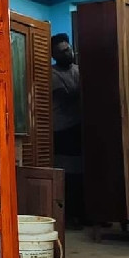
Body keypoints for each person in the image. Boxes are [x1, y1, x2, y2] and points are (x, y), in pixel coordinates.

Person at [51, 33, 84, 226]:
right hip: (63, 130)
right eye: (62, 52)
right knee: (68, 174)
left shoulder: (78, 70)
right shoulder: (52, 74)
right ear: (54, 55)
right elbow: (67, 97)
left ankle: (85, 214)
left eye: (68, 49)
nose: (67, 53)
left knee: (83, 172)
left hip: (80, 127)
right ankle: (70, 216)